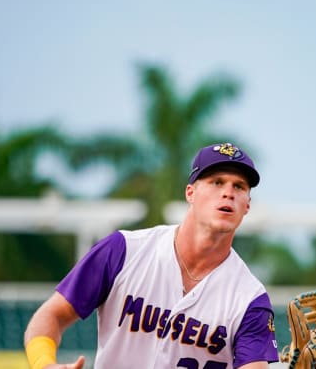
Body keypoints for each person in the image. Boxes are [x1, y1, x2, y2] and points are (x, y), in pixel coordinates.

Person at [24, 142, 279, 369]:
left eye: (239, 186)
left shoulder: (249, 298)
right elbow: (51, 315)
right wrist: (44, 363)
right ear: (190, 193)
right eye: (217, 182)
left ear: (247, 205)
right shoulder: (123, 251)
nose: (228, 193)